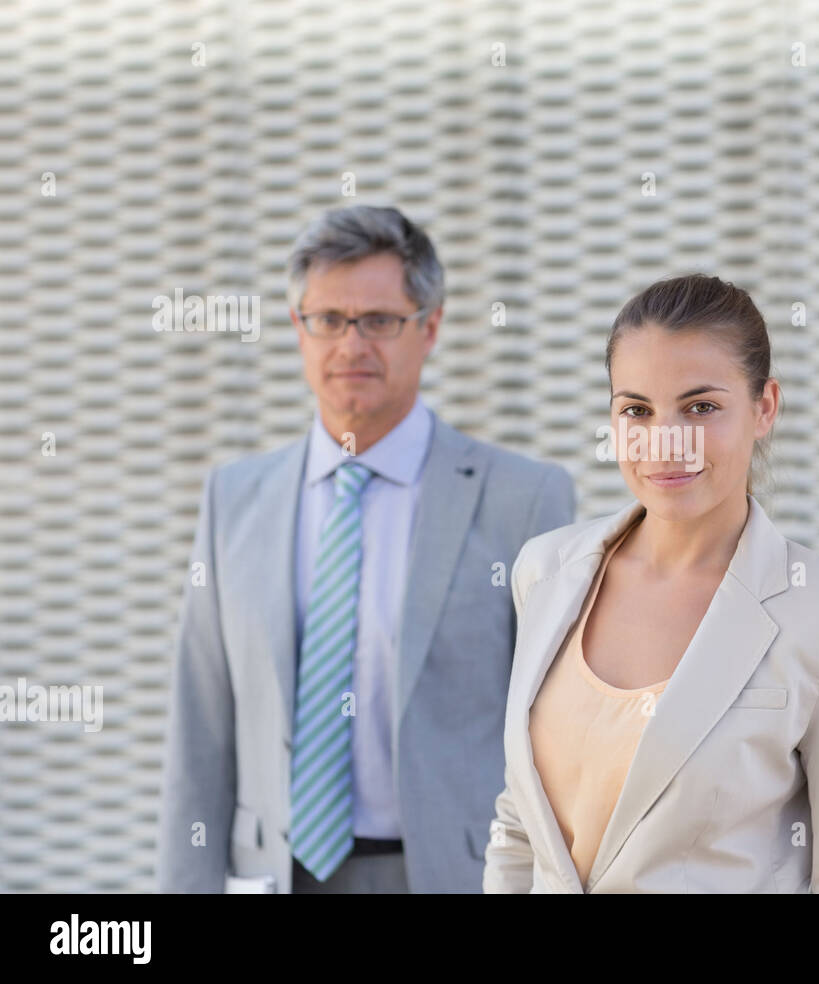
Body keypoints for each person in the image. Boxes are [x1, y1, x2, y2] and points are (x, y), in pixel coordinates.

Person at [157, 205, 575, 893]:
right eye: (328, 320)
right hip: (274, 875)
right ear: (298, 329)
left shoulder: (524, 500)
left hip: (449, 875)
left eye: (380, 321)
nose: (351, 346)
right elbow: (200, 733)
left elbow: (561, 739)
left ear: (430, 327)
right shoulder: (233, 499)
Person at [483, 274, 819, 893]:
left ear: (764, 408)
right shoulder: (546, 573)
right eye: (637, 410)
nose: (666, 440)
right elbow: (521, 826)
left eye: (701, 407)